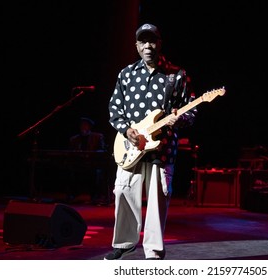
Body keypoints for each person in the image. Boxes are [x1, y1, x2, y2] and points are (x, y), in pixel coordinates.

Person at [105, 23, 197, 260]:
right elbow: (115, 108)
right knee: (123, 193)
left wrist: (178, 120)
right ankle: (124, 243)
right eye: (143, 42)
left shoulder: (177, 74)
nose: (148, 46)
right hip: (130, 147)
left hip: (162, 149)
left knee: (157, 200)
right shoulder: (126, 74)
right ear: (136, 46)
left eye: (152, 41)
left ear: (160, 43)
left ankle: (153, 250)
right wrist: (126, 131)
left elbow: (191, 111)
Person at [68, 117, 107, 203]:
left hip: (93, 163)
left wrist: (91, 154)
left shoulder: (97, 137)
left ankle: (95, 196)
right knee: (72, 171)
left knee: (94, 173)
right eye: (82, 125)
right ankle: (73, 195)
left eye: (85, 125)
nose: (83, 127)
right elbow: (71, 152)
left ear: (89, 127)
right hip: (79, 163)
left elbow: (102, 150)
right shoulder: (74, 139)